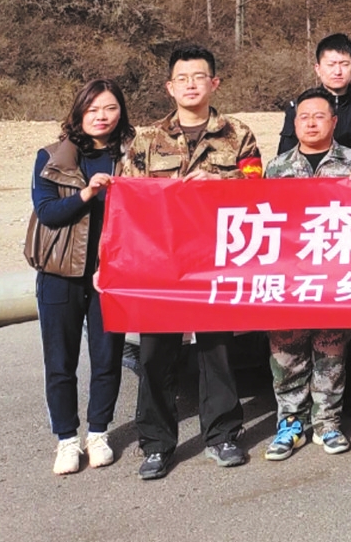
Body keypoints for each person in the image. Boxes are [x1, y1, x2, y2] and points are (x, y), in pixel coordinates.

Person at [121, 45, 263, 480]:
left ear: (214, 83)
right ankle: (156, 444)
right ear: (169, 87)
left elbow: (259, 187)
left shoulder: (238, 134)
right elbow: (129, 198)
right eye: (181, 79)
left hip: (214, 259)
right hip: (161, 263)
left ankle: (222, 435)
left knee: (216, 350)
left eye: (199, 77)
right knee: (155, 355)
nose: (190, 85)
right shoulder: (147, 140)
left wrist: (219, 181)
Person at [27, 79, 132, 475]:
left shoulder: (134, 155)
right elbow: (48, 213)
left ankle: (98, 434)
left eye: (110, 108)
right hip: (60, 273)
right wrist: (86, 194)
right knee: (60, 361)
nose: (101, 116)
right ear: (79, 113)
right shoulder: (51, 157)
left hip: (112, 275)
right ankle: (67, 440)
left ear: (121, 112)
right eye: (92, 109)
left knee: (107, 357)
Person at [261, 89, 351, 460]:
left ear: (334, 122)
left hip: (335, 277)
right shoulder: (277, 168)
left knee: (331, 352)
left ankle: (327, 422)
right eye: (304, 117)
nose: (311, 123)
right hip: (289, 277)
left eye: (319, 116)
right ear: (294, 123)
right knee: (286, 354)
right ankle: (290, 423)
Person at [275, 33, 351, 156]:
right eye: (331, 65)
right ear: (318, 69)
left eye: (344, 64)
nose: (337, 72)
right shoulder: (299, 108)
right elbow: (285, 157)